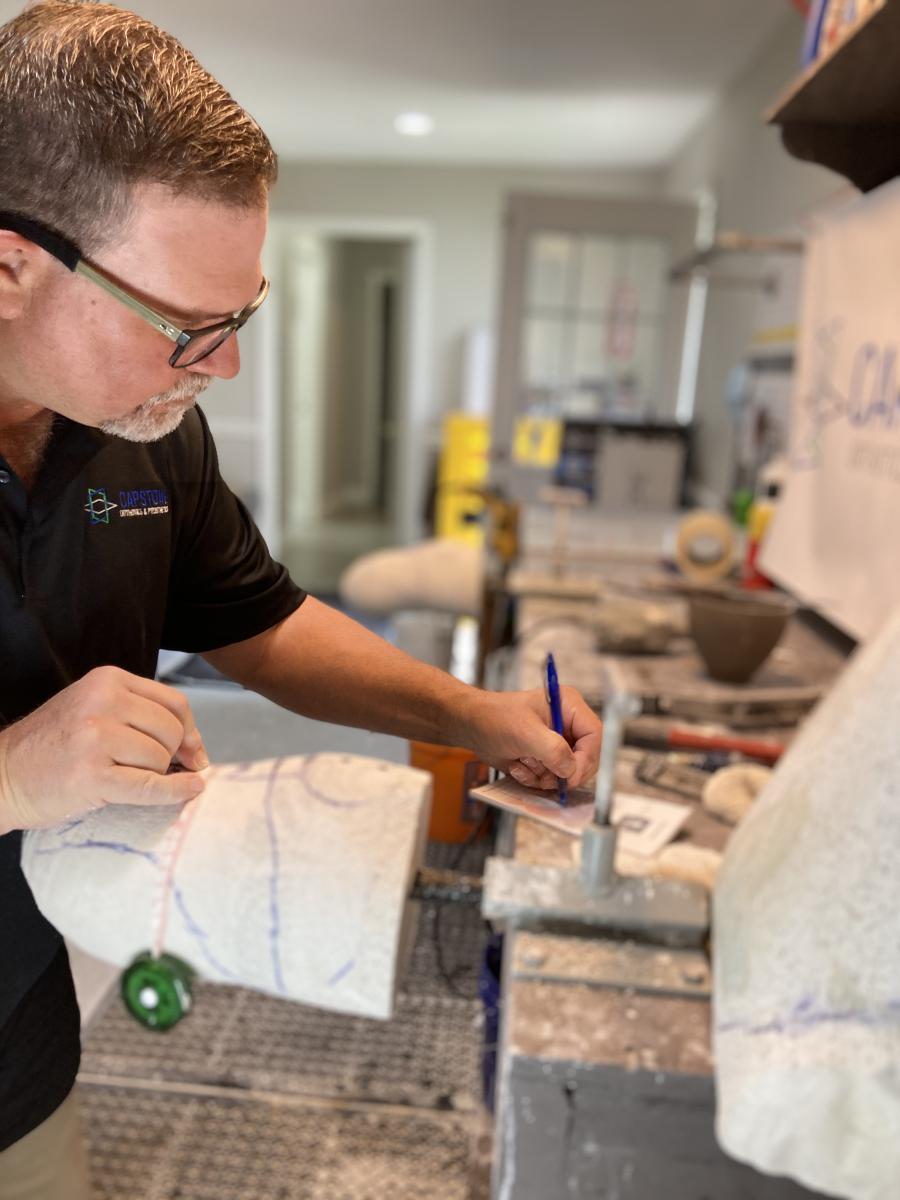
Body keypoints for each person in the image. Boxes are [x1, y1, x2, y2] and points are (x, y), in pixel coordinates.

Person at [0, 2, 603, 1195]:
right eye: (187, 325)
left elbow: (261, 625)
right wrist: (13, 772)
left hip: (21, 1031)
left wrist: (477, 717)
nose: (225, 368)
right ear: (11, 270)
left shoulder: (143, 436)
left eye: (244, 315)